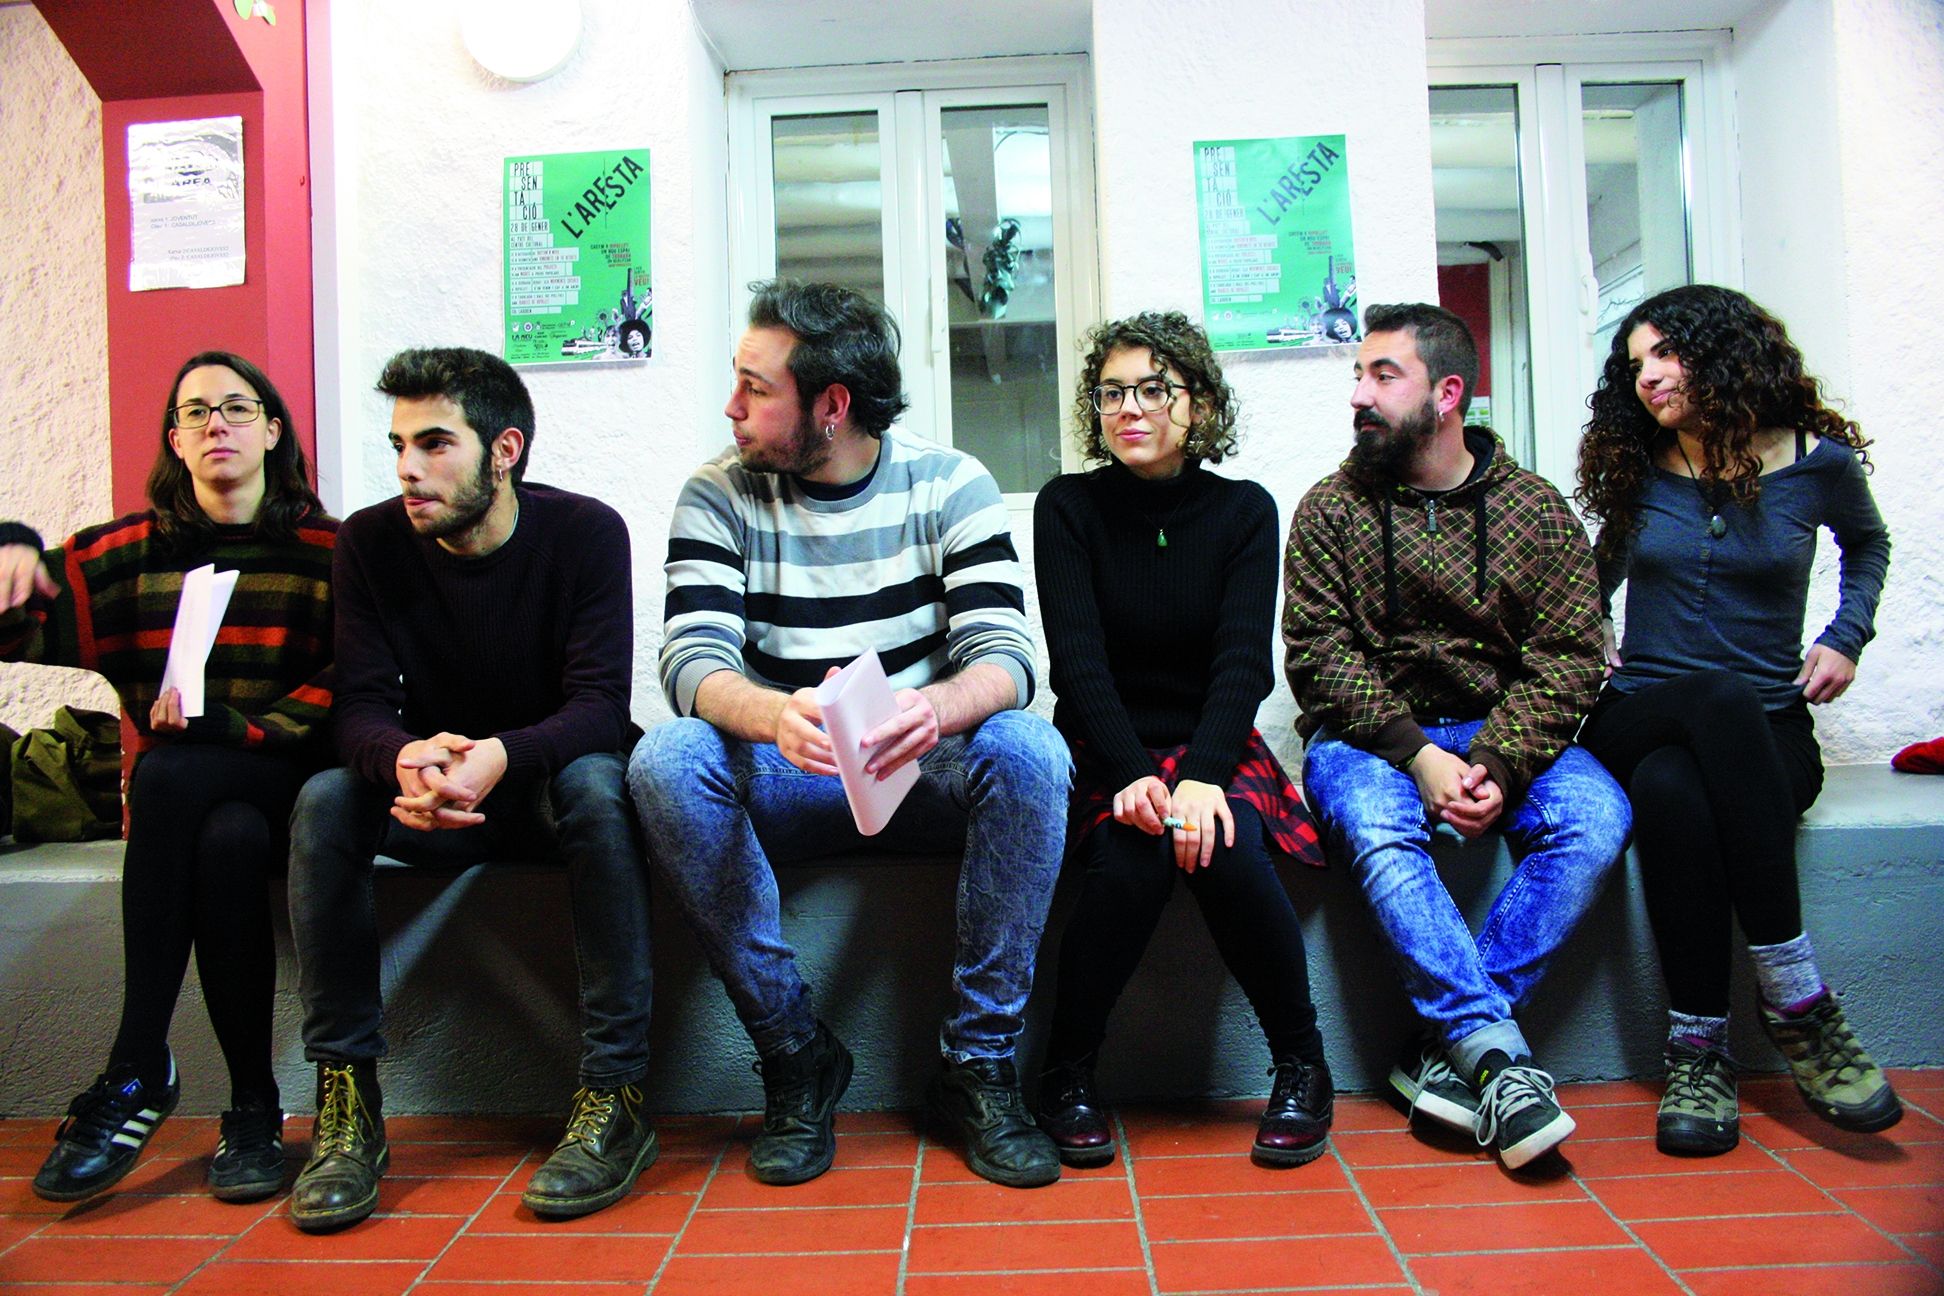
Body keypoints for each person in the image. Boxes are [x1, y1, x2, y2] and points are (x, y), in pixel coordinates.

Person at [628, 280, 1070, 1189]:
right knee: (665, 758)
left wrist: (933, 710)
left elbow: (1009, 656)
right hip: (787, 769)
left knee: (1031, 749)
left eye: (756, 388)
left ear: (832, 405)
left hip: (921, 766)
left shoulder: (950, 481)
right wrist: (772, 714)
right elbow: (690, 660)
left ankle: (979, 1064)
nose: (731, 407)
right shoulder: (717, 491)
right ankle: (796, 1052)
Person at [285, 347, 653, 1230]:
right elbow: (359, 707)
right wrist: (404, 761)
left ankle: (617, 1095)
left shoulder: (586, 533)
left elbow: (600, 707)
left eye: (435, 443)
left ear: (505, 450)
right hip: (434, 798)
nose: (408, 469)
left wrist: (500, 754)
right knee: (326, 800)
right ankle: (347, 1104)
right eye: (399, 445)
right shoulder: (370, 543)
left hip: (540, 791)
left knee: (601, 787)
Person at [1283, 302, 1631, 1169]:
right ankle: (1498, 1058)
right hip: (1370, 737)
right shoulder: (1330, 508)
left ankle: (1454, 1050)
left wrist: (1496, 764)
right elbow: (1318, 655)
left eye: (1382, 376)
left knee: (1597, 817)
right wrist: (1421, 755)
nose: (1359, 395)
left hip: (1501, 729)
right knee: (1376, 825)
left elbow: (1569, 656)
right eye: (1358, 376)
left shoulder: (1535, 510)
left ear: (1447, 394)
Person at [1, 352, 336, 1204]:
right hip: (204, 815)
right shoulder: (131, 553)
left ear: (272, 430)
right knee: (223, 840)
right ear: (176, 442)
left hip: (295, 781)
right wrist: (12, 545)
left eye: (236, 407)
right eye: (195, 412)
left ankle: (138, 1062)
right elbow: (21, 618)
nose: (216, 423)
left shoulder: (330, 551)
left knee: (166, 778)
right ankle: (254, 1110)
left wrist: (239, 729)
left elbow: (357, 686)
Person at [1575, 284, 1899, 1154]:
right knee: (1711, 701)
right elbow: (1592, 578)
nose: (1647, 376)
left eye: (1665, 353)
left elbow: (1869, 545)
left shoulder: (1819, 465)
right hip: (1639, 712)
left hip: (1767, 733)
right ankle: (1797, 996)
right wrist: (1588, 625)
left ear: (1724, 354)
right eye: (1634, 364)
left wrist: (1846, 636)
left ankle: (1697, 1050)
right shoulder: (1641, 466)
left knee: (1675, 792)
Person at [1032, 312, 1332, 1170]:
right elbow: (1078, 665)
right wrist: (1133, 773)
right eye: (1112, 393)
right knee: (1131, 859)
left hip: (1212, 744)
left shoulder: (1243, 511)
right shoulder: (1068, 507)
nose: (1130, 409)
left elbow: (1243, 664)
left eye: (1153, 390)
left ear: (1196, 403)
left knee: (1226, 847)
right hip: (1107, 746)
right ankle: (1065, 1073)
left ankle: (1303, 1064)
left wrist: (1201, 776)